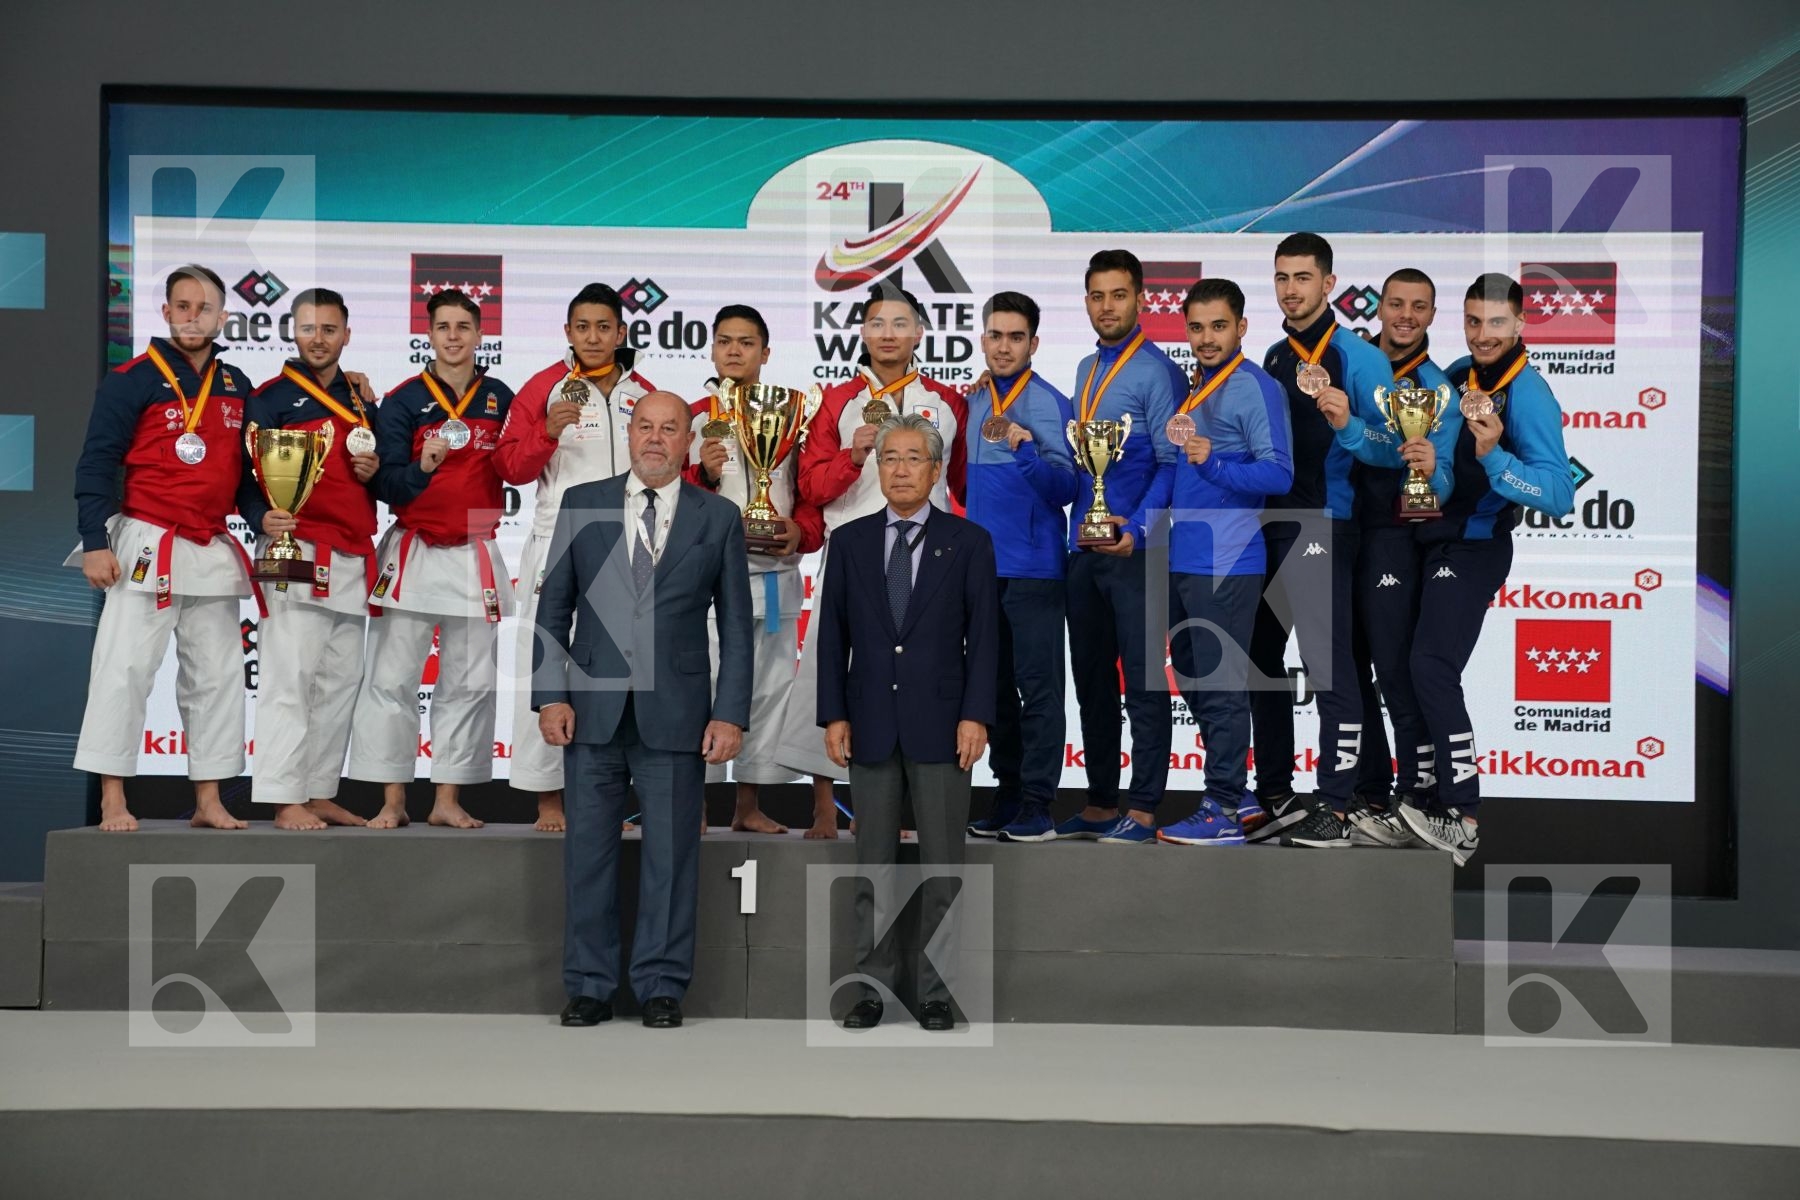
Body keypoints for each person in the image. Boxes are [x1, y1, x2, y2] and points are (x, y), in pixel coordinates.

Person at [534, 391, 752, 1029]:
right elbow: (554, 609)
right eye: (645, 427)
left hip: (678, 713)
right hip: (592, 711)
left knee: (672, 857)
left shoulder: (718, 517)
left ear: (690, 442)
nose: (655, 439)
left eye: (670, 429)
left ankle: (661, 985)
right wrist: (549, 694)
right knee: (588, 858)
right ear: (629, 434)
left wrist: (730, 712)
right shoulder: (583, 502)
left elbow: (737, 628)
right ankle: (589, 986)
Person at [817, 413, 997, 1031]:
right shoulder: (849, 542)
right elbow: (830, 637)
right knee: (872, 865)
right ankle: (868, 989)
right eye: (889, 457)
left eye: (912, 458)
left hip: (945, 726)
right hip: (867, 721)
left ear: (935, 468)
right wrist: (833, 714)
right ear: (877, 466)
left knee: (942, 865)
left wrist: (977, 715)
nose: (899, 468)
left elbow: (986, 641)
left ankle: (935, 992)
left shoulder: (969, 542)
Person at [70, 264, 257, 832]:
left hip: (209, 546)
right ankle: (112, 798)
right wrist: (93, 542)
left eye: (204, 307)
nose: (192, 315)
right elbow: (97, 462)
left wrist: (264, 520)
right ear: (167, 312)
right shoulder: (133, 378)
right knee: (123, 670)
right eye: (182, 305)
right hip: (145, 543)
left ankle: (209, 798)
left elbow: (245, 476)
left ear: (224, 317)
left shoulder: (236, 385)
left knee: (219, 677)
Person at [1395, 273, 1573, 865]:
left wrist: (1495, 456)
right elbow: (1443, 475)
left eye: (1496, 322)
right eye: (1473, 321)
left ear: (1520, 324)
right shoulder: (1452, 378)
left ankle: (1463, 816)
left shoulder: (1531, 394)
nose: (1483, 333)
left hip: (1475, 548)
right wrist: (1426, 467)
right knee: (1405, 670)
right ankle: (1416, 803)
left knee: (1430, 664)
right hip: (1428, 542)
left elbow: (1557, 494)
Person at [776, 283, 968, 793]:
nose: (889, 334)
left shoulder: (947, 402)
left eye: (900, 324)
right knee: (834, 670)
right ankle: (821, 804)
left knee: (921, 673)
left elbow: (962, 486)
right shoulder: (836, 401)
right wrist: (852, 458)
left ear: (919, 334)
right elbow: (810, 487)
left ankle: (909, 799)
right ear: (862, 332)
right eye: (878, 324)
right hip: (855, 557)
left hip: (929, 558)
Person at [347, 289, 515, 830]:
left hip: (474, 548)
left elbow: (517, 464)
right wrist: (421, 466)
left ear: (479, 334)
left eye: (463, 326)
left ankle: (446, 798)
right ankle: (392, 799)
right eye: (443, 327)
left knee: (468, 683)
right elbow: (388, 485)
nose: (453, 336)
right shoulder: (402, 400)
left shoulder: (500, 398)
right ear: (430, 335)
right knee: (391, 680)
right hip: (416, 546)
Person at [1248, 233, 1393, 848]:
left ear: (1329, 284)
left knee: (1329, 667)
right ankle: (1278, 796)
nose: (1291, 289)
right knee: (1258, 659)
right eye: (1282, 278)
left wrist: (1350, 423)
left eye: (1303, 278)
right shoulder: (1275, 357)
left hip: (1327, 526)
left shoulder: (1361, 359)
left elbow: (1397, 452)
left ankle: (1336, 805)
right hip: (1271, 525)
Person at [496, 283, 655, 833]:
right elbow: (509, 467)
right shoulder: (544, 387)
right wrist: (545, 433)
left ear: (621, 332)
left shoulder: (642, 393)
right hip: (559, 538)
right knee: (546, 662)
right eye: (582, 327)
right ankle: (546, 800)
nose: (593, 337)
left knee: (620, 671)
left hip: (630, 540)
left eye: (603, 327)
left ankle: (610, 798)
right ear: (568, 332)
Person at [1051, 249, 1187, 845]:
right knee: (1092, 684)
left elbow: (1170, 460)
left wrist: (1142, 530)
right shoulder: (1085, 369)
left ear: (1140, 300)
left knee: (1143, 683)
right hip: (1085, 550)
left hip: (1135, 554)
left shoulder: (1158, 373)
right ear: (1087, 302)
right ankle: (1103, 801)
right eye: (1097, 296)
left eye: (1119, 295)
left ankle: (1147, 806)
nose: (1108, 307)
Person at [1152, 279, 1294, 845]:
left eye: (1218, 326)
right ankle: (1233, 796)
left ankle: (1223, 804)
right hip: (1183, 556)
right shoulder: (1198, 385)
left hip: (1229, 558)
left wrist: (1214, 464)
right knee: (1193, 674)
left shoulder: (1255, 387)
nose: (1206, 338)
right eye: (1196, 327)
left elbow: (1277, 473)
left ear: (1240, 327)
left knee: (1222, 683)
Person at [683, 305, 831, 836]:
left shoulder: (795, 416)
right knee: (703, 688)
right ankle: (694, 806)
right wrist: (701, 471)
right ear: (713, 349)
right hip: (706, 582)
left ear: (765, 353)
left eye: (747, 343)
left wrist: (801, 532)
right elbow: (670, 498)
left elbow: (811, 491)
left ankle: (748, 804)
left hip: (773, 575)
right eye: (725, 341)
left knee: (767, 690)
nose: (735, 351)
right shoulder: (696, 416)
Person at [238, 288, 380, 830]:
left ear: (346, 334)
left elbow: (381, 470)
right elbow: (242, 479)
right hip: (294, 547)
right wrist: (259, 519)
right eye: (307, 328)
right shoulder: (269, 397)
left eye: (328, 329)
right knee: (288, 677)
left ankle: (318, 790)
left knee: (339, 681)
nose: (317, 339)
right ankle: (280, 794)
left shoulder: (364, 399)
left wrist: (377, 473)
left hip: (350, 550)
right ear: (291, 333)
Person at [1329, 268, 1458, 848]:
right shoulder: (1353, 364)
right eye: (1397, 304)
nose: (1406, 316)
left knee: (1394, 670)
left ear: (1433, 315)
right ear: (1380, 307)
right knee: (1348, 669)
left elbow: (1449, 477)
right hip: (1335, 531)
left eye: (1420, 307)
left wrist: (1433, 468)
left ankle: (1417, 797)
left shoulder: (1439, 389)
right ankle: (1371, 792)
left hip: (1393, 537)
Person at [954, 292, 1077, 843]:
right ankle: (1006, 795)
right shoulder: (975, 400)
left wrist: (1027, 451)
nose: (1004, 346)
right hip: (982, 570)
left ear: (1033, 342)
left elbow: (1070, 486)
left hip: (1034, 570)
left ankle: (1038, 803)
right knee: (995, 689)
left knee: (1040, 691)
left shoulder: (1048, 402)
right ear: (982, 339)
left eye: (1015, 337)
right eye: (995, 335)